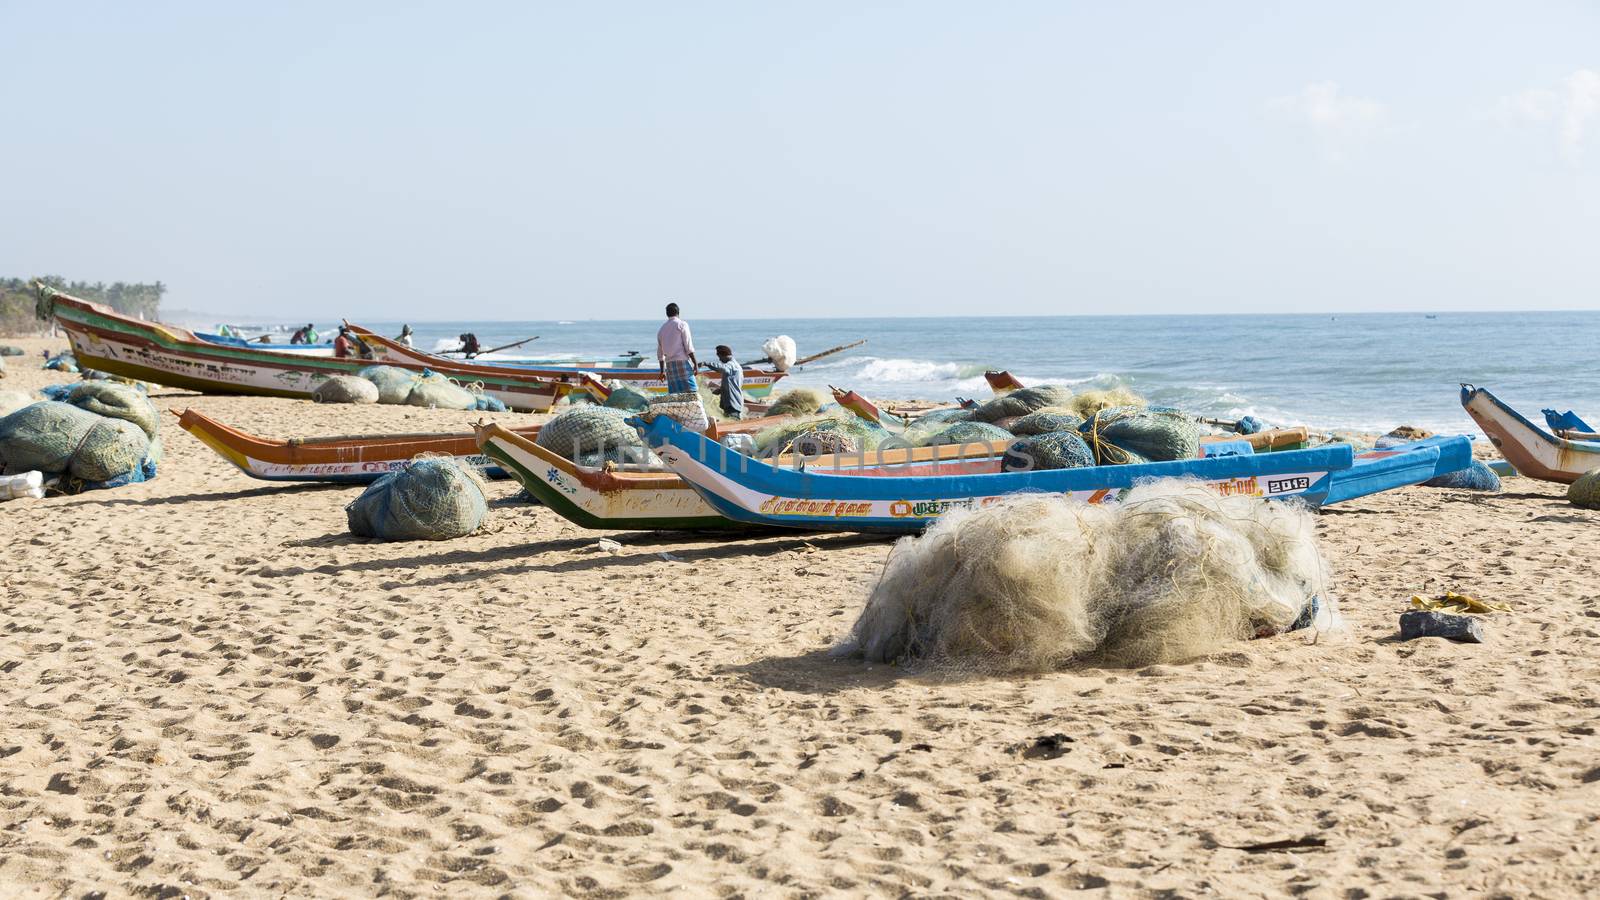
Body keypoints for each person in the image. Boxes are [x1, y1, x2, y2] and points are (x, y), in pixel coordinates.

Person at [656, 302, 697, 394]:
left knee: (676, 395)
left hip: (670, 365)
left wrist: (662, 371)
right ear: (678, 313)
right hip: (682, 362)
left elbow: (660, 353)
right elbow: (688, 346)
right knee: (692, 392)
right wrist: (695, 363)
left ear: (667, 314)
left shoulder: (661, 329)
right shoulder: (682, 324)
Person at [701, 344, 744, 420]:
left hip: (732, 405)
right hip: (731, 404)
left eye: (720, 357)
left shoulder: (731, 365)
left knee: (732, 426)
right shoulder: (736, 366)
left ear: (724, 355)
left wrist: (706, 364)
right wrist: (721, 390)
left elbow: (723, 368)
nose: (720, 360)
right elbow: (732, 384)